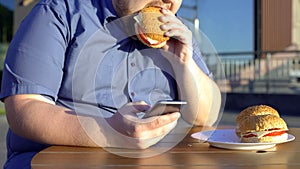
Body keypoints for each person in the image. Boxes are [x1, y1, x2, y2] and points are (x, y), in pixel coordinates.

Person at [0, 0, 221, 168]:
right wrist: (109, 132)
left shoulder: (177, 32)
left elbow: (206, 117)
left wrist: (184, 62)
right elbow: (24, 109)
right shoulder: (59, 12)